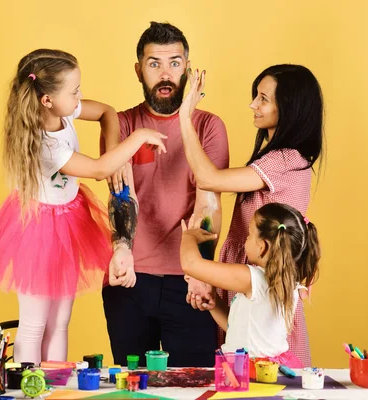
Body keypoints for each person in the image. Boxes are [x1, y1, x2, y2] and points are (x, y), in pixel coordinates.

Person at [0, 49, 166, 363]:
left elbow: (107, 112)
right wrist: (138, 136)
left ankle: (55, 385)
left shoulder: (64, 111)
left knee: (60, 322)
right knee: (35, 324)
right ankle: (30, 391)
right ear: (47, 99)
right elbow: (100, 169)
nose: (80, 97)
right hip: (36, 229)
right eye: (74, 92)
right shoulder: (44, 145)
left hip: (68, 222)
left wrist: (114, 150)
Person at [101, 22, 230, 367]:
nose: (165, 74)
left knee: (193, 385)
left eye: (174, 62)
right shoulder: (123, 125)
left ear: (187, 67)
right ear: (138, 70)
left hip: (189, 284)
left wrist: (200, 270)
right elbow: (120, 194)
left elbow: (209, 202)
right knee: (134, 387)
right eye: (154, 63)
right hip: (128, 280)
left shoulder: (209, 126)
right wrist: (122, 249)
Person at [178, 65, 324, 366]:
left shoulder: (284, 160)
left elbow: (208, 178)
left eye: (263, 99)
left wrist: (184, 117)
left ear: (289, 108)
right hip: (246, 291)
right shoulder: (284, 159)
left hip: (252, 282)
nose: (253, 106)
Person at [180, 202, 320, 367]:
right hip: (269, 370)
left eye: (249, 234)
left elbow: (190, 264)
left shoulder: (252, 278)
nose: (246, 239)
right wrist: (215, 303)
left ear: (262, 247)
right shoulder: (287, 282)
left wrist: (188, 237)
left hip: (250, 372)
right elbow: (239, 330)